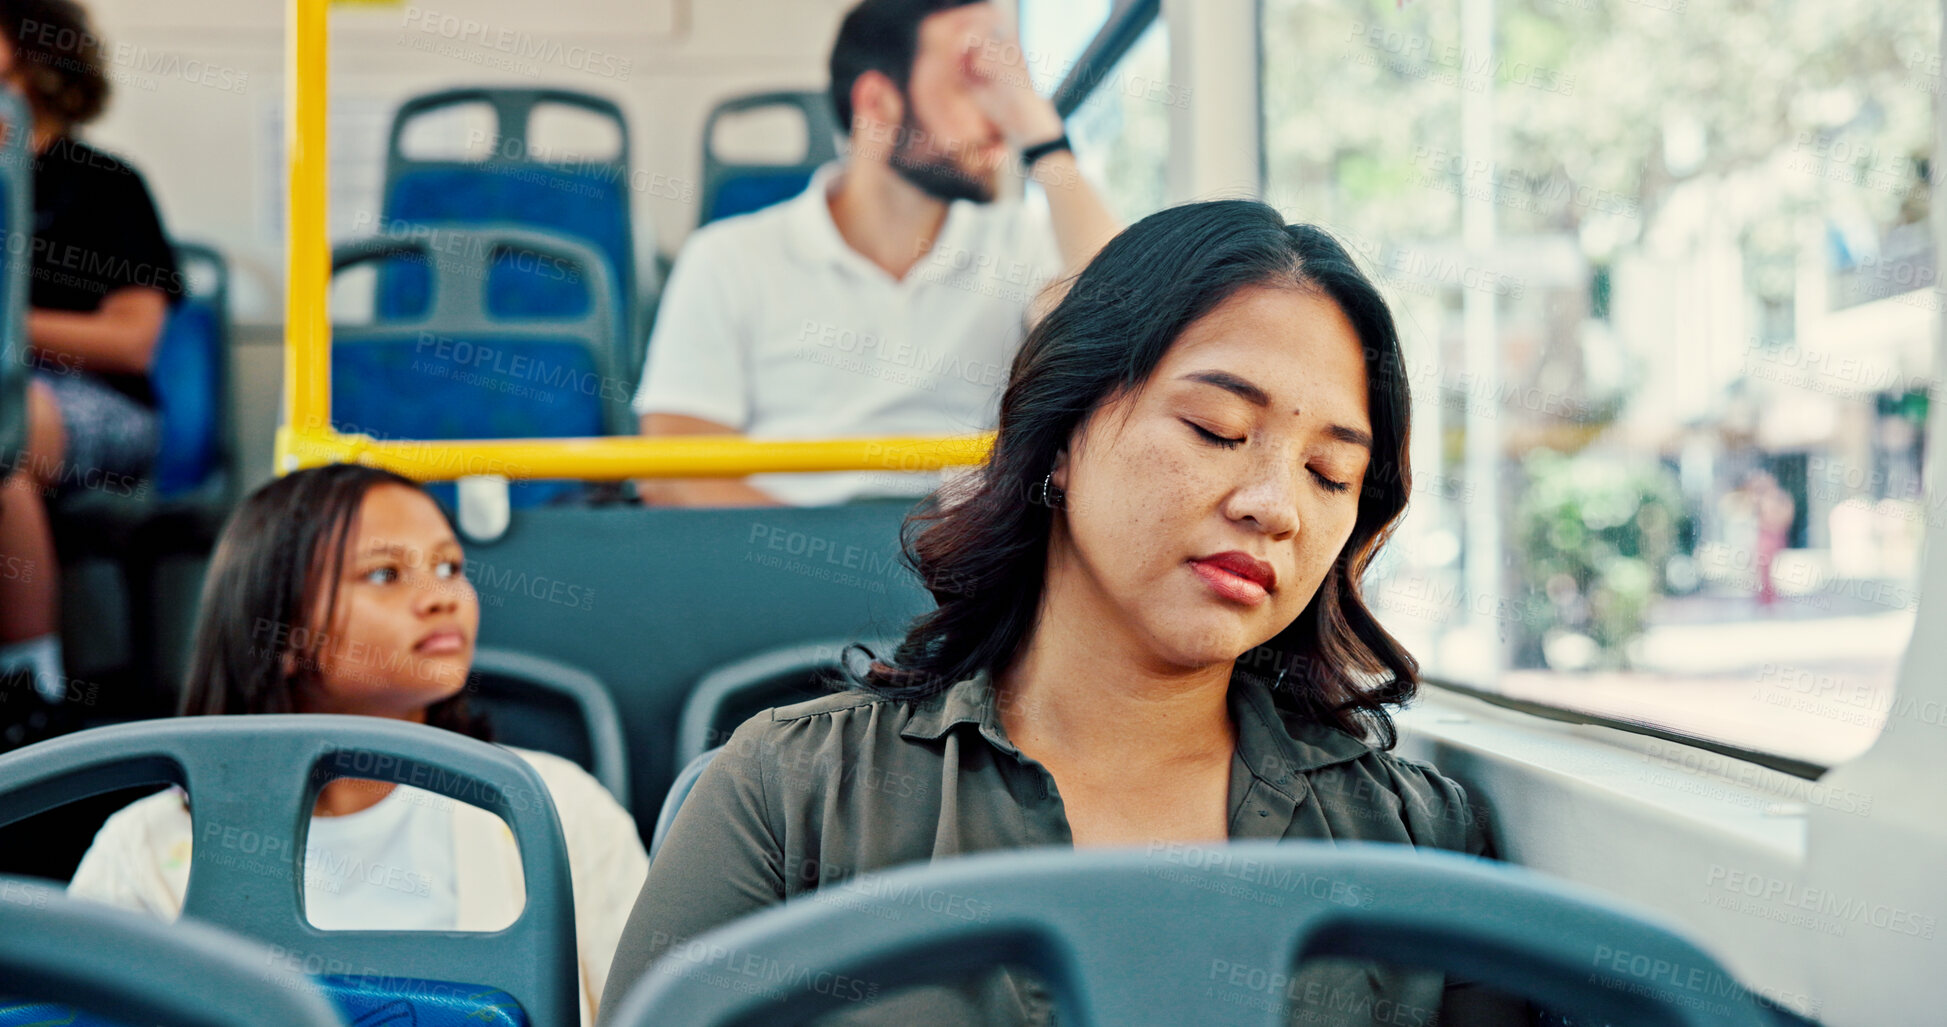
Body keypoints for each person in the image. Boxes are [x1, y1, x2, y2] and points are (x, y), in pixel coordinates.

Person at [602, 201, 1531, 1025]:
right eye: (1215, 430)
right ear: (1059, 437)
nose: (1274, 504)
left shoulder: (1418, 840)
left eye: (1330, 474)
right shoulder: (793, 794)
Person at [67, 465, 649, 1027]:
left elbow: (651, 1012)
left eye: (448, 567)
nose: (440, 596)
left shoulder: (559, 808)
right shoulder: (145, 849)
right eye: (384, 575)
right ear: (280, 631)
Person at [633, 0, 1120, 508]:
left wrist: (1042, 135)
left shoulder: (1024, 243)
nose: (1002, 114)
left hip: (968, 560)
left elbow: (1133, 306)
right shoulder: (727, 258)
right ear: (878, 102)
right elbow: (673, 475)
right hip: (786, 552)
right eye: (975, 78)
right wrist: (826, 561)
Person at [0, 0, 183, 713]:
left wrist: (10, 331)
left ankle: (27, 690)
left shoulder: (106, 185)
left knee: (4, 447)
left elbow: (133, 340)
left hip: (102, 405)